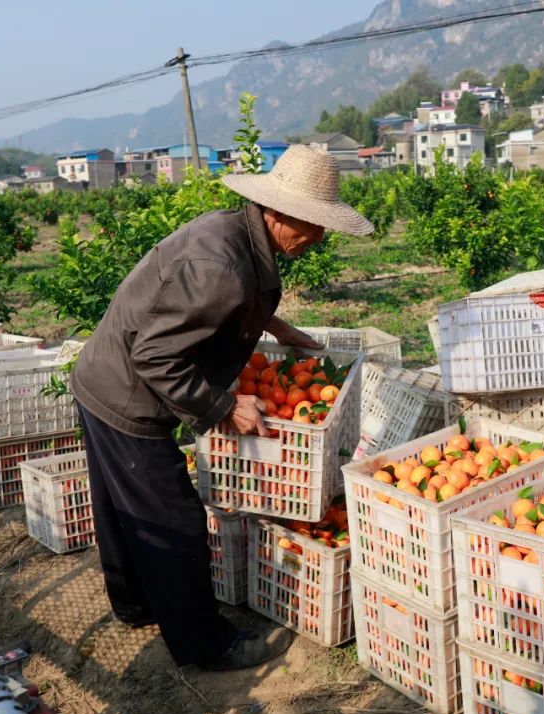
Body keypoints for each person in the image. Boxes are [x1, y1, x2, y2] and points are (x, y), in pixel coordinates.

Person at [69, 145, 374, 671]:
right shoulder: (222, 264)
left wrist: (275, 326)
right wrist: (225, 406)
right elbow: (154, 356)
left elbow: (213, 306)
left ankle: (135, 603)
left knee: (124, 508)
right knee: (174, 521)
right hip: (127, 395)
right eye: (314, 225)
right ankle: (204, 645)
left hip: (102, 377)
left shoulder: (235, 233)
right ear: (278, 212)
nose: (319, 237)